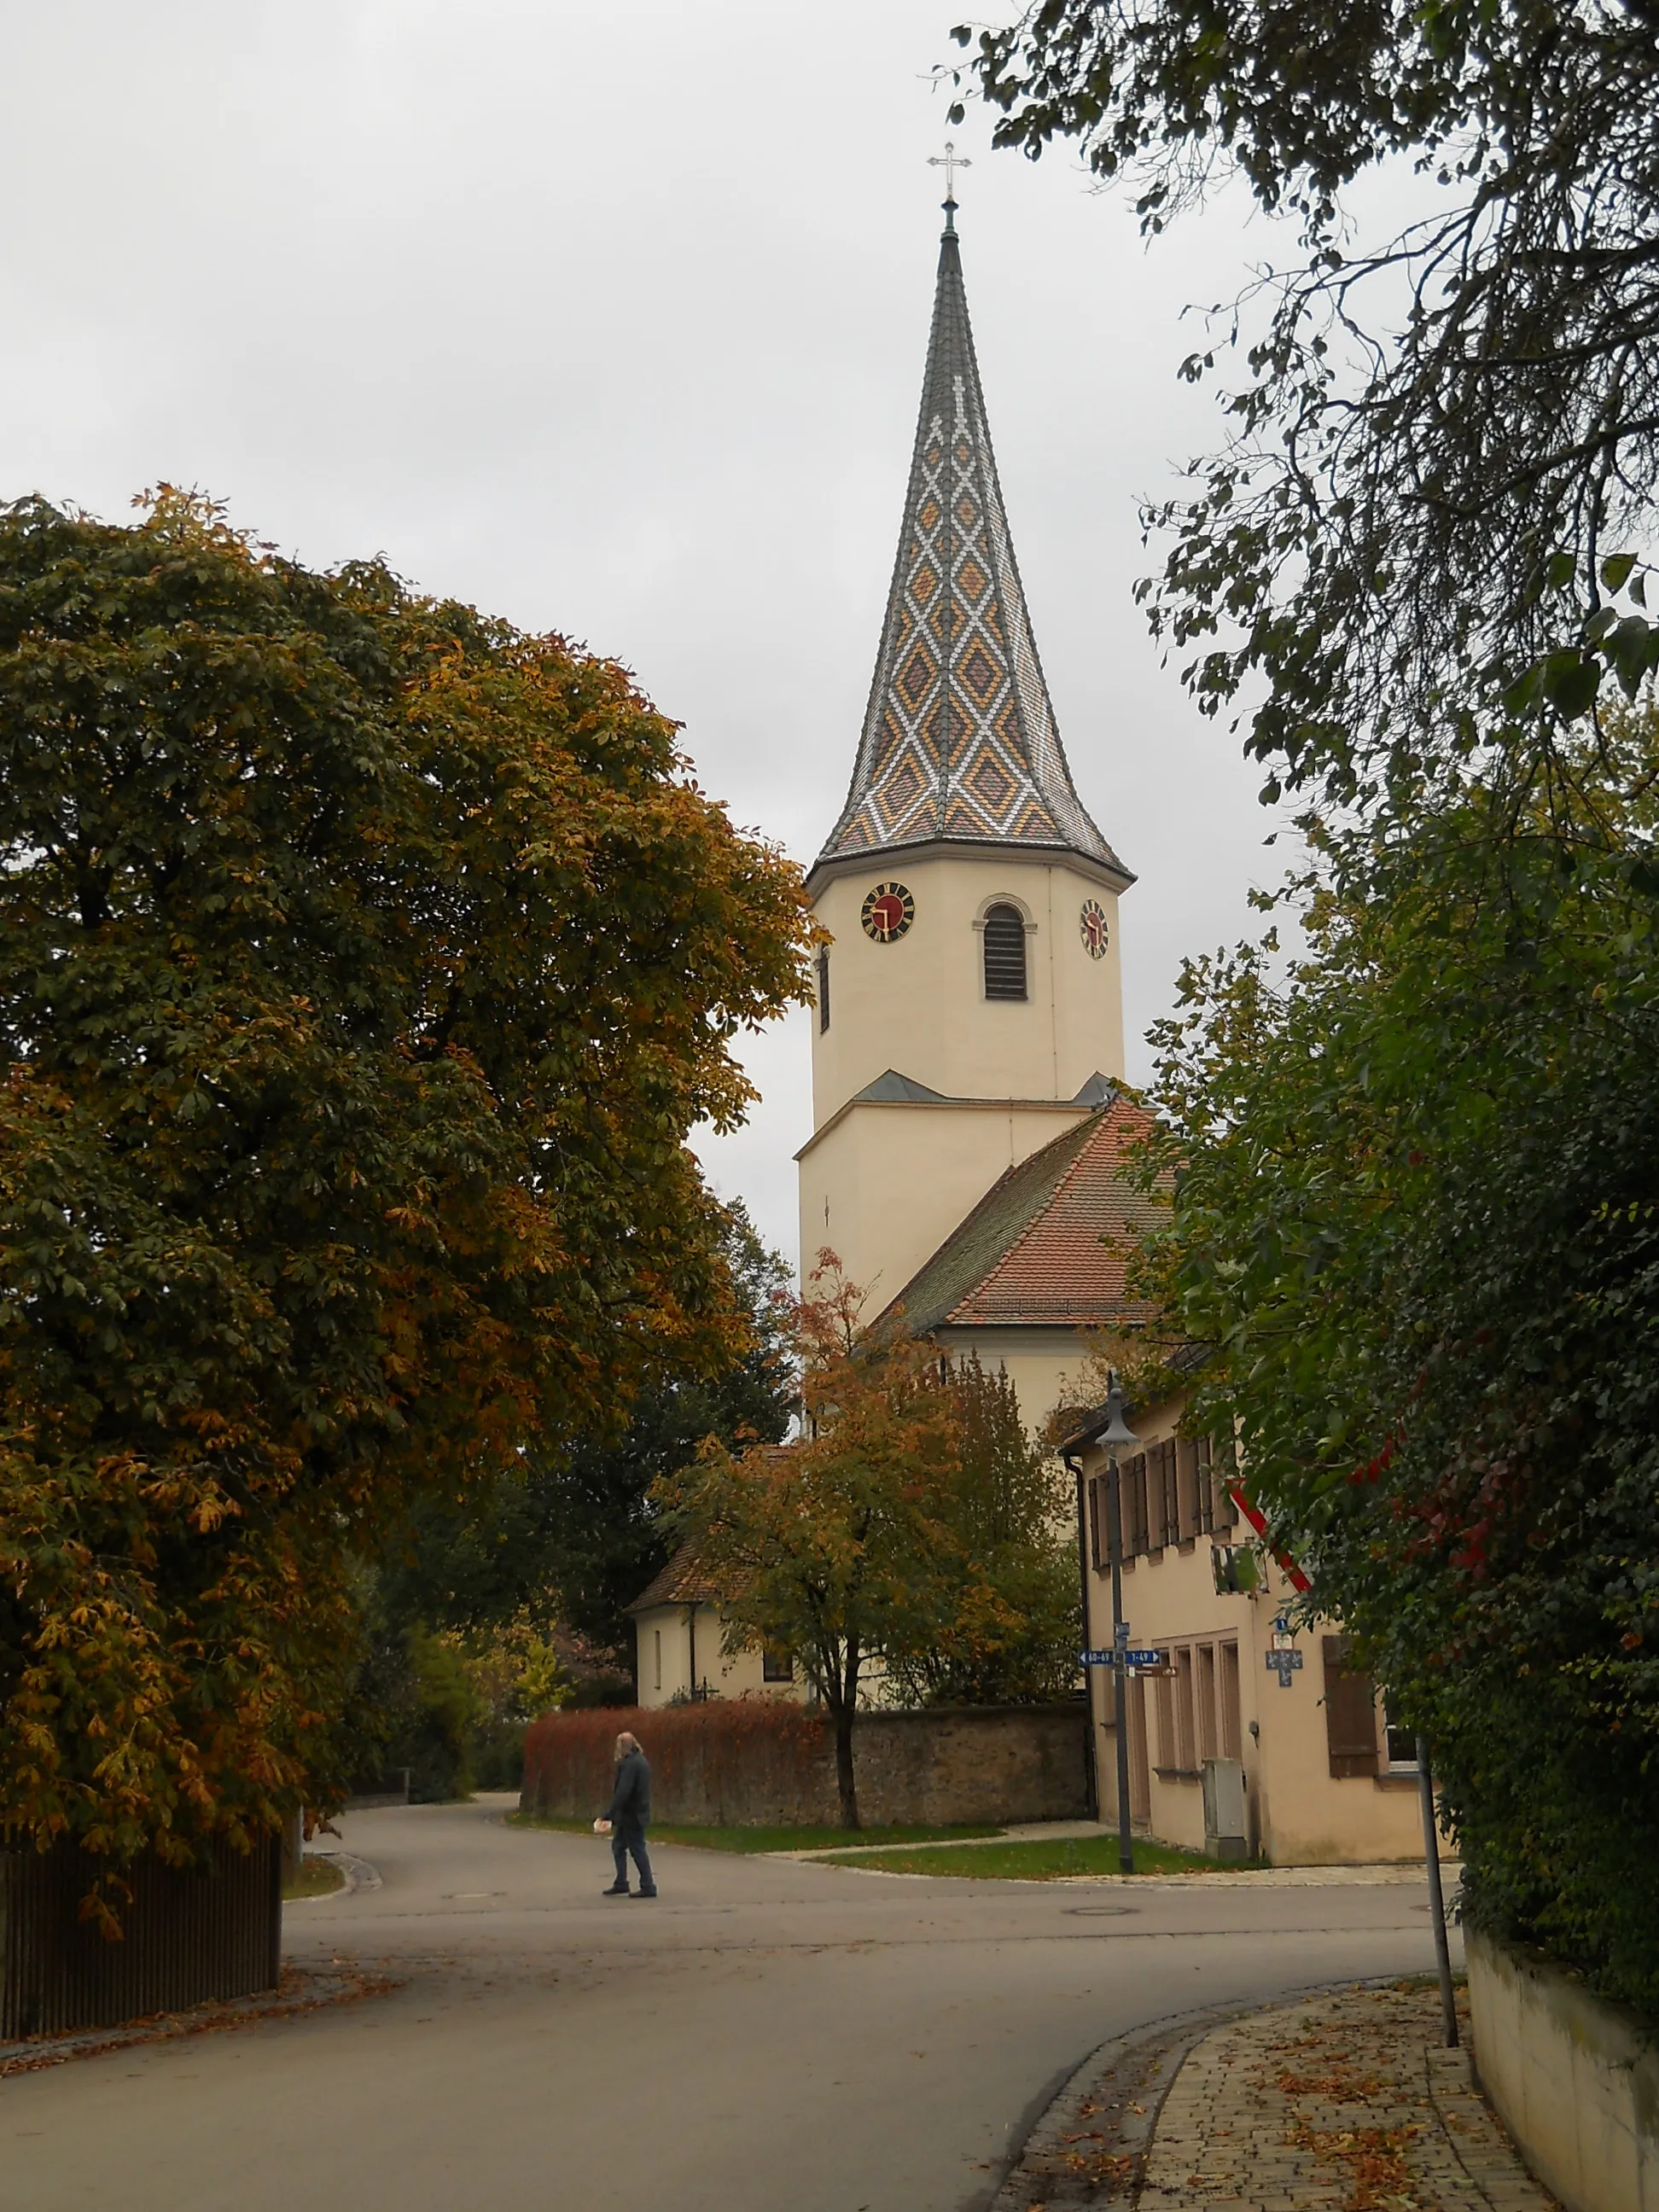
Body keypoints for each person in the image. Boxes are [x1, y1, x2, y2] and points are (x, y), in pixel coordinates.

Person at [600, 1731, 655, 1898]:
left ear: (622, 1747)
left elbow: (623, 1792)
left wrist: (609, 1813)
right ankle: (621, 1882)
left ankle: (648, 1885)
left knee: (637, 1848)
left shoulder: (629, 1765)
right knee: (618, 1846)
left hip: (631, 1814)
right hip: (637, 1812)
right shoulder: (642, 1761)